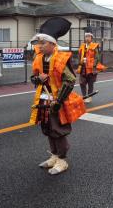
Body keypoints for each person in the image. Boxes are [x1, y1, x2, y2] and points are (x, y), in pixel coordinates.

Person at [29, 17, 86, 175]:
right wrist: (37, 79)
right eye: (38, 43)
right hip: (43, 99)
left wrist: (58, 100)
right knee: (47, 128)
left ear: (53, 44)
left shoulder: (61, 58)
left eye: (43, 43)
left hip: (56, 100)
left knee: (58, 129)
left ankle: (62, 159)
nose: (39, 46)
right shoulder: (39, 58)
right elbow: (33, 78)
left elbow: (70, 80)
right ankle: (54, 156)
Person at [77, 27, 100, 103]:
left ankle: (89, 96)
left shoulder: (95, 46)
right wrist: (80, 62)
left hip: (91, 68)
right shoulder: (82, 46)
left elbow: (97, 57)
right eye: (86, 36)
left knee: (90, 83)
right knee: (81, 83)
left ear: (91, 37)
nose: (87, 38)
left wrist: (93, 64)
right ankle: (84, 96)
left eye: (88, 36)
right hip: (83, 67)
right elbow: (79, 56)